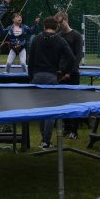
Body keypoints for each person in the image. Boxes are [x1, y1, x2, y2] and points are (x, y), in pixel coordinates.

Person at [27, 17, 77, 149]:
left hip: (37, 76)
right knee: (50, 109)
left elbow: (30, 60)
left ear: (44, 26)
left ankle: (44, 139)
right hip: (51, 76)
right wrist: (63, 71)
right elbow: (72, 58)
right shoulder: (60, 40)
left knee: (40, 108)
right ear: (57, 27)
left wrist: (31, 76)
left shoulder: (36, 39)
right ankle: (46, 140)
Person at [55, 11, 84, 138]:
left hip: (73, 73)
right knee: (62, 101)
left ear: (66, 19)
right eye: (57, 23)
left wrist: (70, 72)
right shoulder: (59, 36)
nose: (59, 25)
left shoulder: (76, 36)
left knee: (74, 102)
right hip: (60, 72)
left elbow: (78, 56)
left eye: (60, 22)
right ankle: (66, 127)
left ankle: (74, 130)